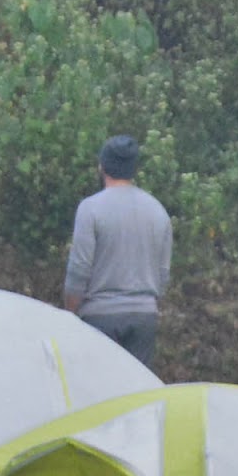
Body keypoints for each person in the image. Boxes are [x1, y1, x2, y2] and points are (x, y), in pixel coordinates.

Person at [65, 136, 174, 371]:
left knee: (102, 395)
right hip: (144, 316)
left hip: (99, 317)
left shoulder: (90, 208)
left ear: (101, 166)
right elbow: (163, 274)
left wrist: (70, 313)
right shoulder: (157, 210)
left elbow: (79, 269)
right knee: (136, 395)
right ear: (134, 169)